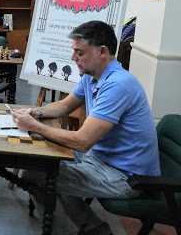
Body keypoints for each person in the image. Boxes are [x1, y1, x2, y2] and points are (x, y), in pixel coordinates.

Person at [11, 20, 160, 235]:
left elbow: (82, 142)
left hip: (125, 177)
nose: (73, 58)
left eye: (79, 53)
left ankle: (68, 231)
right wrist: (37, 113)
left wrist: (35, 126)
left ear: (102, 51)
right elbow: (65, 105)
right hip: (101, 158)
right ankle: (94, 229)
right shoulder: (92, 76)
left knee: (35, 176)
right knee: (43, 160)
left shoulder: (118, 85)